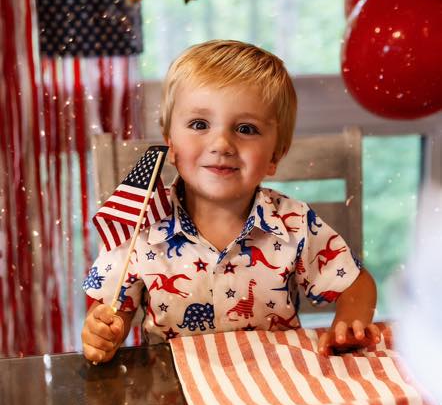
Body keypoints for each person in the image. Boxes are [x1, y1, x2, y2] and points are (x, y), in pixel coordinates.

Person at [82, 40, 379, 363]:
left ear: (275, 156)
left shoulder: (294, 223)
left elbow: (356, 284)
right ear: (170, 142)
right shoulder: (140, 222)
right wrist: (106, 330)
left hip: (274, 389)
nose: (222, 143)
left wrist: (350, 323)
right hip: (171, 393)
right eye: (199, 124)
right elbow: (113, 307)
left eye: (246, 128)